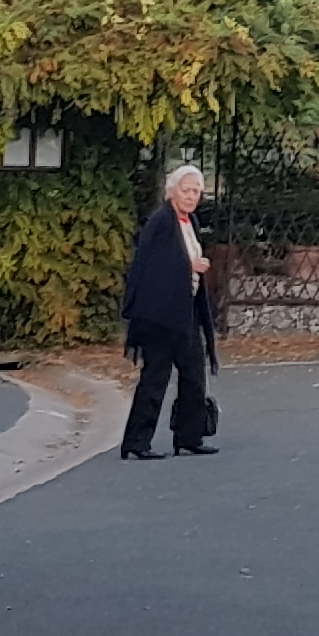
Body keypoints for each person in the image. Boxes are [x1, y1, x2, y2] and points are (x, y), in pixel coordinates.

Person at [116, 162, 218, 460]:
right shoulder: (161, 221)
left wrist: (194, 267)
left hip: (185, 313)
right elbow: (152, 265)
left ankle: (189, 436)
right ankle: (136, 442)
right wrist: (190, 265)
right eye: (186, 190)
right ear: (172, 191)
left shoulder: (190, 222)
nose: (191, 196)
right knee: (155, 378)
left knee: (194, 375)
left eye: (196, 192)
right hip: (160, 316)